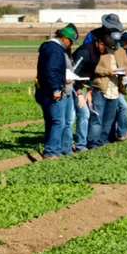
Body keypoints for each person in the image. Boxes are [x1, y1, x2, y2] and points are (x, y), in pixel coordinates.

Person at [35, 24, 78, 159]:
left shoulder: (49, 47)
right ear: (64, 38)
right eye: (71, 42)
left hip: (44, 88)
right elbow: (52, 70)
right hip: (51, 89)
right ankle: (51, 150)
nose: (71, 45)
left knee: (51, 121)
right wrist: (55, 89)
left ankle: (55, 148)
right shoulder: (55, 50)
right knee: (58, 121)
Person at [71, 29, 108, 152]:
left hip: (82, 87)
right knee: (76, 116)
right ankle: (78, 145)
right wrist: (79, 92)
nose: (106, 52)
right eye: (106, 48)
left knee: (81, 115)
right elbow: (72, 73)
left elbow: (91, 74)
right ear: (100, 43)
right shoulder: (85, 52)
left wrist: (90, 91)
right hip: (71, 86)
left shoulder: (97, 53)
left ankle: (79, 144)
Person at [87, 33, 126, 149]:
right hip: (101, 88)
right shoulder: (100, 52)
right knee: (97, 118)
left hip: (114, 89)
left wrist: (124, 71)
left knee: (109, 119)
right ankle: (93, 143)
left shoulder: (120, 51)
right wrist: (106, 71)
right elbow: (93, 68)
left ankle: (103, 142)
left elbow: (126, 64)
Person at [111, 30, 127, 141]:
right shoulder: (116, 47)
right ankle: (120, 134)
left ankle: (118, 133)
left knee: (119, 107)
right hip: (113, 81)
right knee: (122, 107)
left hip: (122, 80)